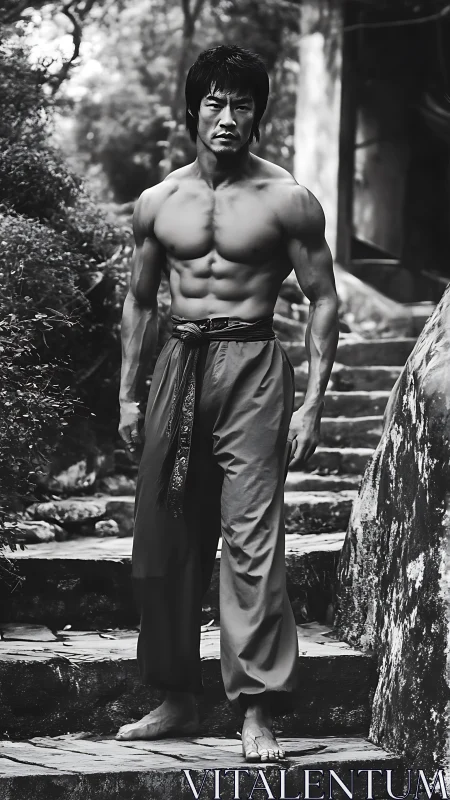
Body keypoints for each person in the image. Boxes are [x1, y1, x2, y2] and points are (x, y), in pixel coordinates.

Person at [116, 45, 339, 762]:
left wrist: (309, 406)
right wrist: (127, 394)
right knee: (163, 540)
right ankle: (177, 697)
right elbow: (140, 300)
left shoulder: (288, 199)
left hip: (252, 366)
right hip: (178, 366)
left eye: (243, 104)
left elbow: (324, 300)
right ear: (193, 110)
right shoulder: (159, 201)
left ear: (257, 116)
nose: (228, 117)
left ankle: (256, 708)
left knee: (251, 540)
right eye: (215, 102)